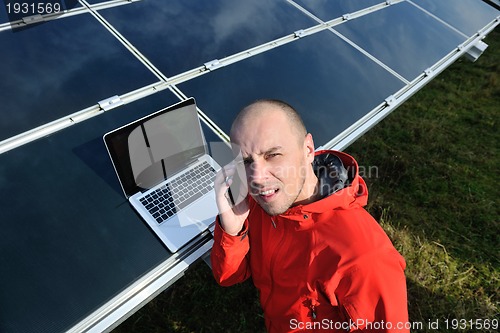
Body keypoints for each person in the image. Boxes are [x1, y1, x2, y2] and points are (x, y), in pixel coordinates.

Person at [211, 99, 409, 333]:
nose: (257, 177)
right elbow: (229, 276)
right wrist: (233, 231)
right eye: (246, 161)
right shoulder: (260, 205)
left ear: (307, 150)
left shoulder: (364, 259)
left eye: (273, 155)